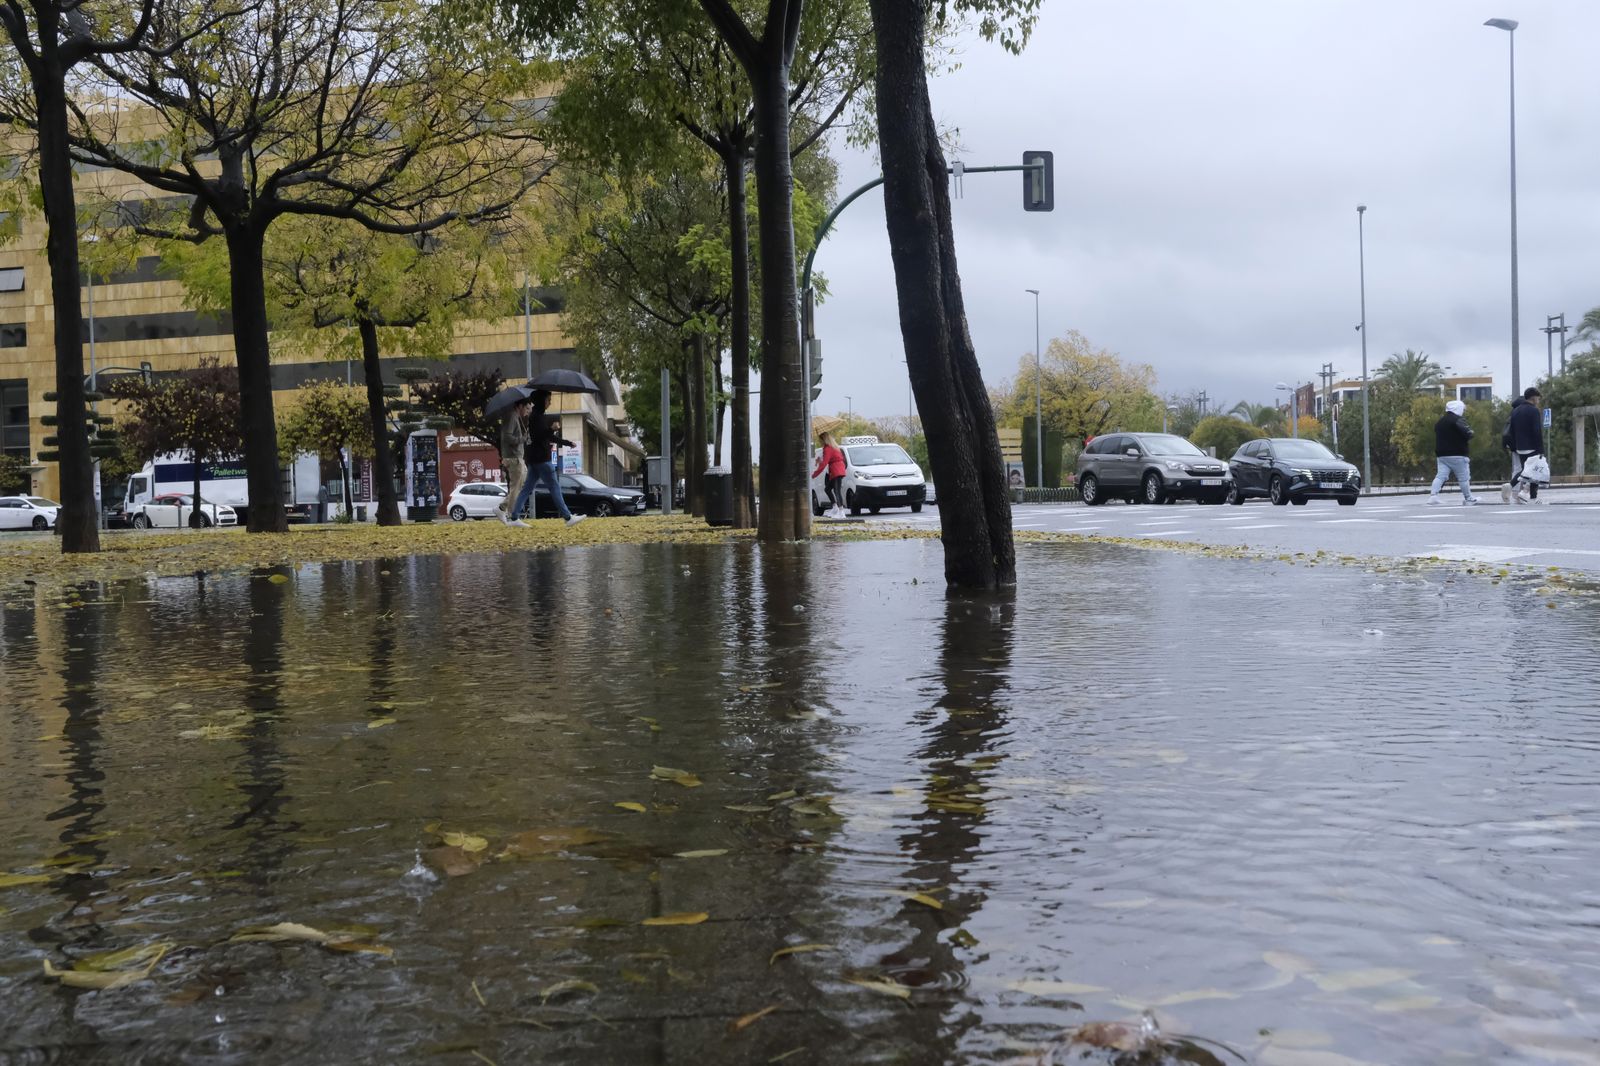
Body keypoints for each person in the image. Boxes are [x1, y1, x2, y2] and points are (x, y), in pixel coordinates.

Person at [511, 392, 585, 526]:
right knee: (554, 487)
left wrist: (567, 443)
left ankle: (514, 517)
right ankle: (568, 518)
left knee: (526, 489)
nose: (550, 402)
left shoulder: (537, 416)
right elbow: (541, 436)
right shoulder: (537, 417)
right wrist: (552, 429)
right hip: (542, 460)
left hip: (535, 460)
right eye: (548, 399)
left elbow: (548, 437)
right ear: (542, 401)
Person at [1428, 399, 1478, 505]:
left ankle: (1433, 496)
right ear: (1458, 408)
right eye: (1462, 409)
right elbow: (1468, 433)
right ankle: (1468, 498)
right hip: (1458, 454)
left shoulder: (1440, 422)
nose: (1463, 411)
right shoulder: (1457, 419)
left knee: (1440, 476)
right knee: (1463, 477)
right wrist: (1471, 432)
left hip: (1441, 455)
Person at [1501, 386, 1544, 505]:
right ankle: (1532, 497)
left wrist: (1516, 445)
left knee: (1526, 470)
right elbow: (1537, 431)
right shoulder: (1534, 411)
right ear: (1534, 397)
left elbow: (1513, 430)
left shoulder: (1516, 411)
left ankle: (1509, 485)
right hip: (1532, 446)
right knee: (1535, 471)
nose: (1538, 400)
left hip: (1520, 447)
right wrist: (1540, 448)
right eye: (1538, 398)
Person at [498, 398, 530, 526]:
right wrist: (522, 439)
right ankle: (513, 517)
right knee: (516, 487)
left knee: (519, 485)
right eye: (527, 408)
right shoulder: (512, 416)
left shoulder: (515, 417)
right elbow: (508, 437)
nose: (527, 412)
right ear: (520, 406)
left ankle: (501, 508)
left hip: (517, 457)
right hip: (513, 458)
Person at [812, 432, 846, 518]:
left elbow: (824, 464)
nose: (820, 442)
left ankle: (841, 512)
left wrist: (814, 474)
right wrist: (820, 461)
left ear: (824, 440)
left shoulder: (828, 448)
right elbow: (827, 461)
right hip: (838, 469)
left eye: (820, 440)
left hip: (836, 470)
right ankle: (835, 508)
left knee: (836, 490)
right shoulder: (833, 447)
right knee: (827, 489)